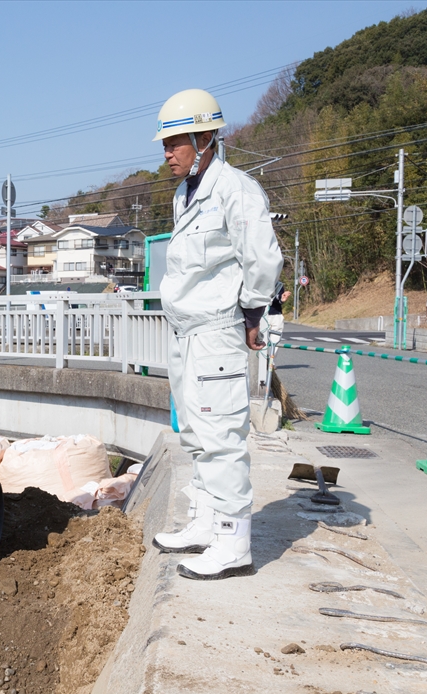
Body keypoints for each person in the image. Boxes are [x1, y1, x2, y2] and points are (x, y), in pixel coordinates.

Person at [149, 89, 284, 580]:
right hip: (187, 332)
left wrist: (252, 313)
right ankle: (206, 521)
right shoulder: (185, 193)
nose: (167, 153)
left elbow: (262, 259)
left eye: (175, 142)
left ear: (205, 137)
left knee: (222, 433)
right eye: (165, 144)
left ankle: (233, 542)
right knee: (196, 432)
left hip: (216, 332)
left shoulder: (236, 190)